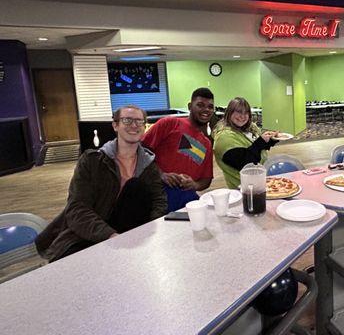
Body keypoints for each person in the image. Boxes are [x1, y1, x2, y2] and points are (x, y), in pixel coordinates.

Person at [35, 105, 167, 262]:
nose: (134, 125)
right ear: (115, 125)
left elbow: (159, 202)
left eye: (139, 121)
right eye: (127, 120)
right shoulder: (92, 161)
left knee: (136, 187)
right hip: (87, 234)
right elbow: (77, 209)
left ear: (144, 127)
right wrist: (111, 236)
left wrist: (147, 234)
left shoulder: (149, 165)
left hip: (129, 232)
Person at [142, 88, 214, 211]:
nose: (206, 110)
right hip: (158, 192)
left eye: (210, 107)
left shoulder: (207, 144)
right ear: (190, 106)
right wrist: (161, 174)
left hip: (186, 196)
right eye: (200, 105)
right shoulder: (169, 123)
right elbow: (141, 150)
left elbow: (206, 180)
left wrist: (194, 184)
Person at [213, 97, 278, 189]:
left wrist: (272, 139)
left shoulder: (249, 128)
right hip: (244, 188)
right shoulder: (224, 137)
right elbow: (246, 164)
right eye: (239, 112)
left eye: (246, 112)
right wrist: (260, 142)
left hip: (260, 181)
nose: (242, 116)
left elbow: (259, 148)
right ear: (229, 112)